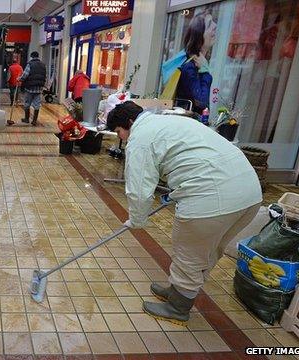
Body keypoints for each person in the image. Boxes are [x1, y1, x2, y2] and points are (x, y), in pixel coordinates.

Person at [105, 101, 262, 325]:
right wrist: (178, 192)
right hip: (249, 195)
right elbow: (195, 159)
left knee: (189, 253)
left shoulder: (140, 138)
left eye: (119, 132)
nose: (121, 138)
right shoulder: (171, 122)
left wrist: (137, 220)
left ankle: (178, 308)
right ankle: (178, 291)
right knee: (208, 250)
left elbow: (139, 189)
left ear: (129, 123)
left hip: (212, 198)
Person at [177, 13, 216, 114]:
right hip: (187, 125)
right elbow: (202, 103)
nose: (215, 26)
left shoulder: (196, 63)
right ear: (199, 36)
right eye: (209, 24)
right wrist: (205, 72)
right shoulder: (189, 67)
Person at [18, 51, 46, 126]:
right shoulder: (43, 65)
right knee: (37, 105)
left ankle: (27, 119)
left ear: (32, 56)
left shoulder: (30, 64)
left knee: (27, 103)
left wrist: (19, 79)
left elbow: (25, 75)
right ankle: (34, 121)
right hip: (39, 88)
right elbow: (44, 76)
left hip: (30, 88)